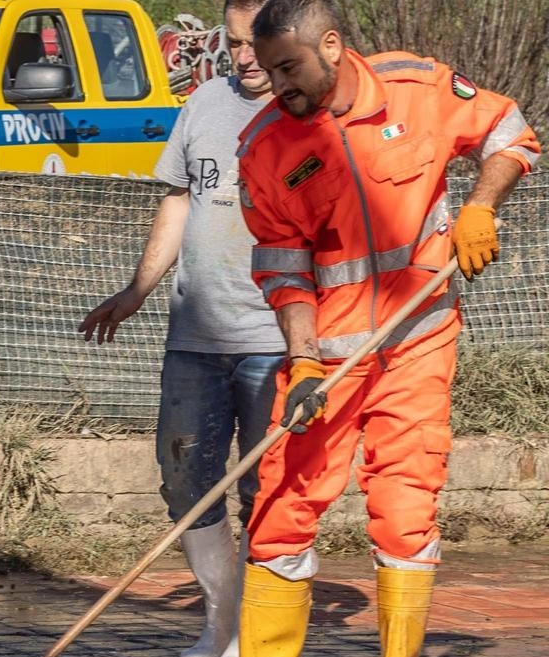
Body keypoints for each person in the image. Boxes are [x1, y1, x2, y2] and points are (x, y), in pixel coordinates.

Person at [233, 1, 541, 655]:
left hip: (420, 336)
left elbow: (509, 130)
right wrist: (307, 360)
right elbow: (283, 271)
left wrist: (480, 208)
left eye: (288, 67)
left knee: (407, 507)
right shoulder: (266, 149)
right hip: (328, 357)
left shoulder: (418, 88)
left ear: (334, 45)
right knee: (284, 504)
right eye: (267, 70)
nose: (275, 83)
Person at [79, 2, 281, 655]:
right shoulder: (203, 104)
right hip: (197, 330)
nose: (244, 57)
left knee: (267, 490)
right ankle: (220, 623)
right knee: (184, 476)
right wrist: (137, 289)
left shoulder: (310, 109)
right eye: (234, 43)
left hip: (277, 336)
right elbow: (180, 198)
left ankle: (264, 631)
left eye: (257, 43)